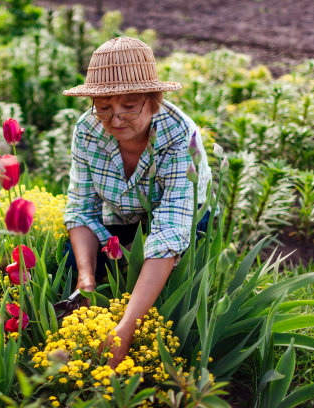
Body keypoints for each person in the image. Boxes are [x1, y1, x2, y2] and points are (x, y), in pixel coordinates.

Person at [62, 37, 212, 368]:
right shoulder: (87, 130)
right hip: (124, 213)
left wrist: (126, 328)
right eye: (103, 107)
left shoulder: (179, 135)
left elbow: (170, 229)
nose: (115, 120)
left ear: (153, 99)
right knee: (73, 261)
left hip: (185, 216)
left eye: (129, 106)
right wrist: (85, 281)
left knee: (175, 286)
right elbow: (81, 208)